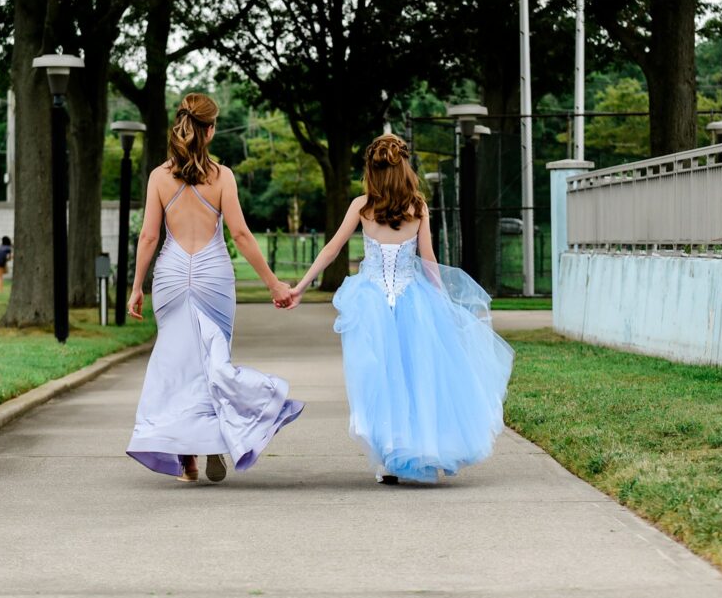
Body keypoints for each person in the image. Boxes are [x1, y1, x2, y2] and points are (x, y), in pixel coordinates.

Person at [287, 134, 514, 484]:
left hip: (371, 303)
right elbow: (429, 259)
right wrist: (442, 301)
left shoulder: (362, 206)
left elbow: (332, 249)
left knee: (380, 379)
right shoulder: (418, 206)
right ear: (404, 167)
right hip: (414, 301)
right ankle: (416, 450)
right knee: (416, 377)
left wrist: (300, 287)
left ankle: (389, 457)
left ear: (372, 171)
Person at [125, 93, 304, 483]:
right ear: (209, 130)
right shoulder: (222, 177)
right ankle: (219, 440)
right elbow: (239, 234)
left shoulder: (158, 177)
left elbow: (149, 237)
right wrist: (274, 284)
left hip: (171, 275)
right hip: (213, 276)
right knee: (212, 361)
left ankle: (187, 460)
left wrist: (137, 286)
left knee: (178, 364)